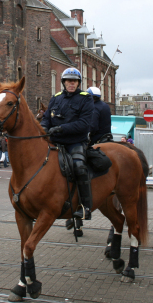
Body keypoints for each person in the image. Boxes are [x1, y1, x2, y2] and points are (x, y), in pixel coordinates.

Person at [40, 67, 94, 220]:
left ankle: (85, 207)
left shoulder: (86, 98)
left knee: (79, 167)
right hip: (55, 142)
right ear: (63, 82)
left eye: (75, 81)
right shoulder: (56, 98)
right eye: (69, 81)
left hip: (75, 142)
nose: (72, 83)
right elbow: (46, 118)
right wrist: (44, 128)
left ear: (78, 83)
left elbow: (84, 123)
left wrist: (61, 128)